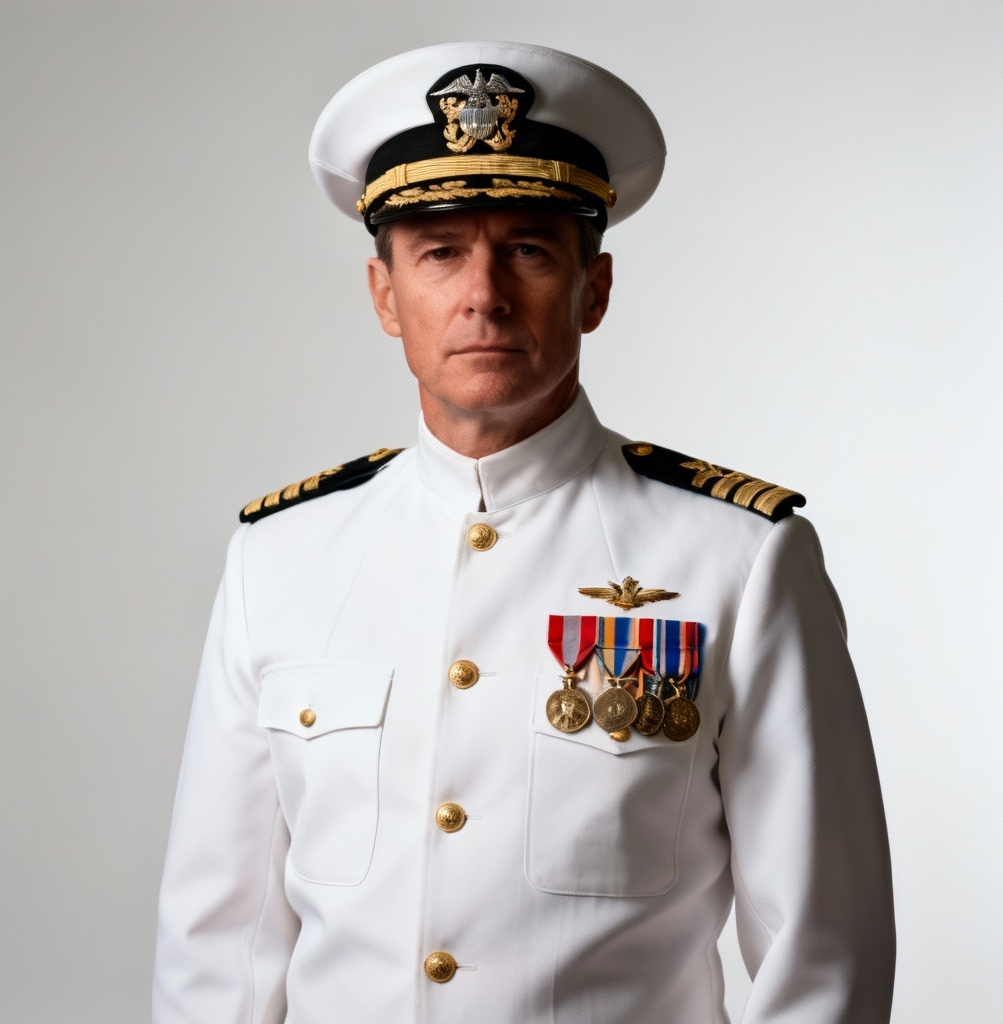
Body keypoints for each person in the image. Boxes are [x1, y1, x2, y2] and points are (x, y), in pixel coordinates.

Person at [152, 40, 895, 1024]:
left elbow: (823, 948)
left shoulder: (738, 558)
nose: (484, 294)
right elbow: (218, 947)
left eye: (530, 250)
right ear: (385, 295)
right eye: (440, 252)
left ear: (595, 289)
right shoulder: (279, 559)